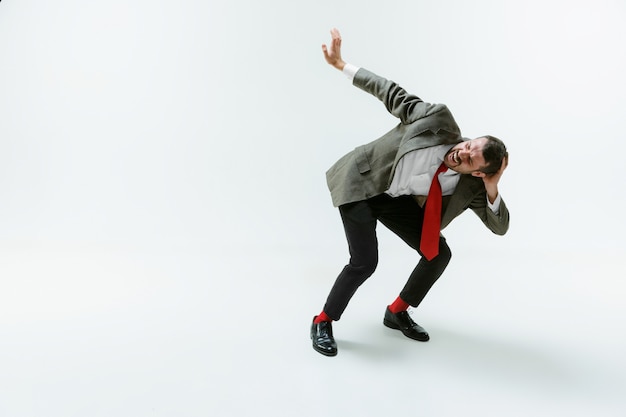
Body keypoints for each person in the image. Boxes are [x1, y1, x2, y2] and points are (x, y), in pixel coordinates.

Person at [310, 28, 510, 357]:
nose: (463, 152)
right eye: (469, 145)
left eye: (472, 158)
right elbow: (389, 91)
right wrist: (341, 64)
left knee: (438, 253)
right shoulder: (436, 118)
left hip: (394, 199)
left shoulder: (475, 185)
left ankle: (396, 311)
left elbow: (500, 227)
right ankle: (323, 320)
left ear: (477, 171)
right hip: (363, 182)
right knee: (364, 262)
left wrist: (492, 186)